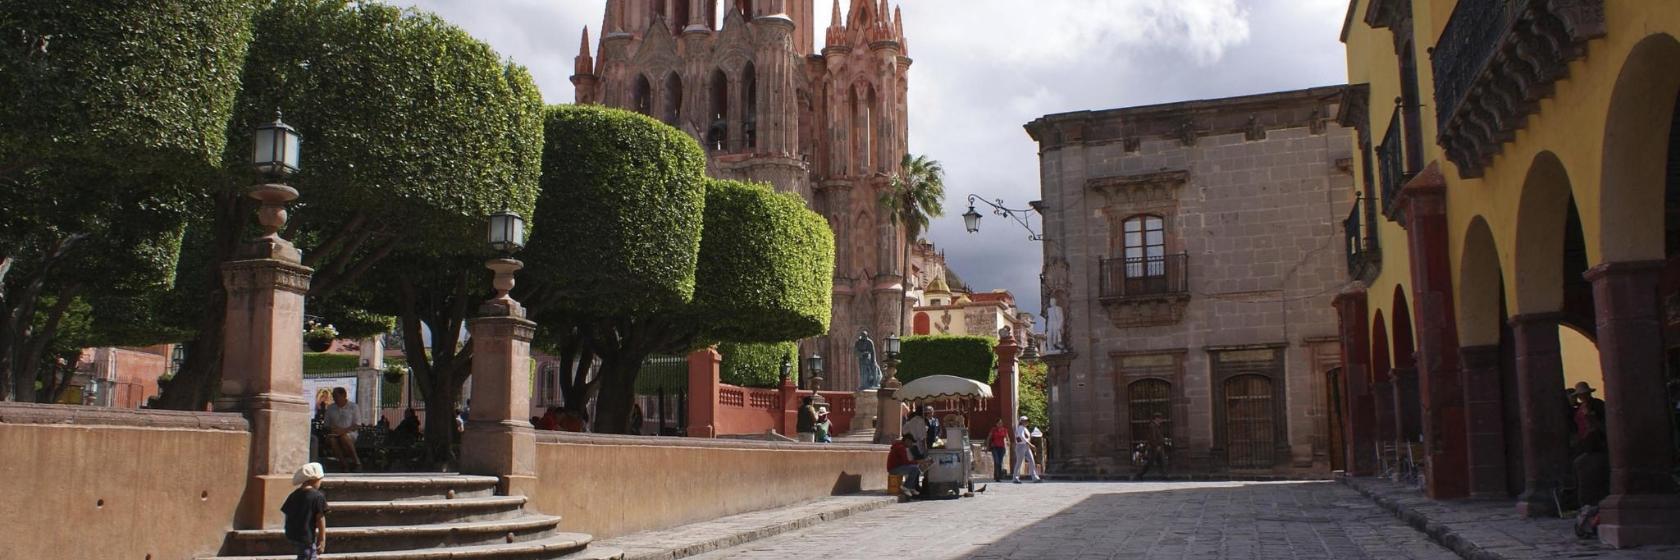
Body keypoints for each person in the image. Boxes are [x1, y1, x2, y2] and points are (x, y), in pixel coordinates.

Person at [282, 462, 328, 559]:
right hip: (307, 537)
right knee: (308, 556)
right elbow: (320, 518)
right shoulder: (318, 497)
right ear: (314, 480)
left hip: (294, 535)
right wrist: (322, 539)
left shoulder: (294, 495)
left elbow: (287, 513)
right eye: (320, 480)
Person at [322, 387, 361, 471]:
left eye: (336, 396)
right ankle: (344, 464)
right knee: (332, 440)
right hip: (334, 433)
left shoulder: (353, 407)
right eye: (333, 396)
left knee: (344, 437)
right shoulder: (330, 408)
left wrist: (343, 430)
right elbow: (326, 425)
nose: (334, 399)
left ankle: (357, 462)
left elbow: (357, 425)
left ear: (344, 395)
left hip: (350, 433)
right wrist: (332, 429)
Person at [1134, 413, 1170, 480]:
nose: (1161, 420)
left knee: (1162, 461)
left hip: (1158, 446)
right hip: (1154, 447)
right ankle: (1139, 475)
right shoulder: (1152, 426)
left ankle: (1164, 475)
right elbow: (1152, 437)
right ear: (1156, 418)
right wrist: (1156, 446)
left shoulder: (1157, 426)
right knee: (1150, 462)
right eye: (1160, 418)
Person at [887, 433, 923, 497]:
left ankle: (911, 487)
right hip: (894, 469)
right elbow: (905, 462)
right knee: (915, 469)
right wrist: (917, 462)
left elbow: (905, 462)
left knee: (917, 469)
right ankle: (906, 486)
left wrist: (917, 463)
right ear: (907, 441)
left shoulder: (902, 447)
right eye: (911, 442)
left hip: (897, 467)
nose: (911, 445)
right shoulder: (900, 448)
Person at [1012, 416, 1042, 483]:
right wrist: (1031, 445)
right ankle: (1015, 478)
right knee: (1019, 462)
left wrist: (1029, 444)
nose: (1026, 422)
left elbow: (1027, 437)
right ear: (1021, 421)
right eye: (1025, 421)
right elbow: (1022, 437)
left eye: (1027, 421)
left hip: (1026, 446)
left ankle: (1035, 477)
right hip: (1020, 446)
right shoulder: (1020, 428)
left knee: (1031, 460)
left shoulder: (1025, 428)